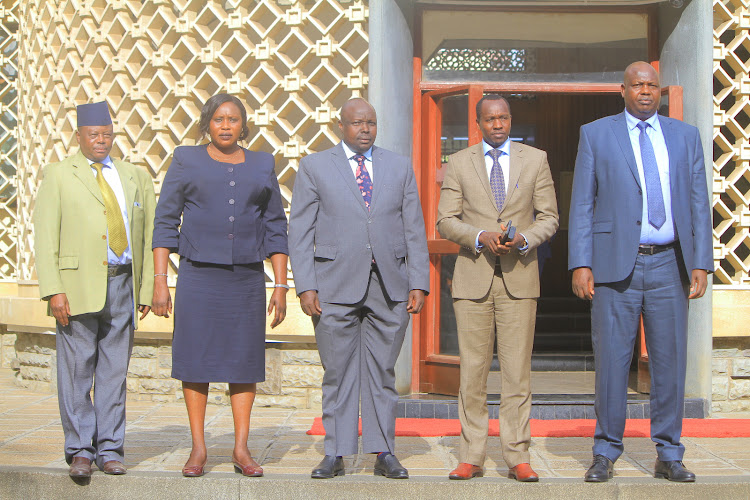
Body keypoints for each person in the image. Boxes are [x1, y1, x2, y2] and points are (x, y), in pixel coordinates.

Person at [568, 61, 713, 483]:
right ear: (623, 90)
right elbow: (582, 203)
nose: (645, 92)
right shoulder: (596, 134)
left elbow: (699, 202)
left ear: (660, 91)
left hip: (671, 263)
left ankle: (669, 452)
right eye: (637, 85)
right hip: (615, 266)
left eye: (652, 85)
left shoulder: (685, 136)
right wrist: (581, 262)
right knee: (612, 361)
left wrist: (700, 261)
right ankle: (606, 450)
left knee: (669, 362)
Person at [288, 98, 430, 480]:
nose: (365, 129)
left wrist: (419, 281)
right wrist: (305, 286)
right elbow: (299, 232)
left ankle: (384, 452)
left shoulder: (398, 167)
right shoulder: (315, 166)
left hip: (389, 286)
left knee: (383, 371)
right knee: (337, 371)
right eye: (357, 123)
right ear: (341, 126)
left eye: (371, 123)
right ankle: (334, 452)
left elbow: (413, 227)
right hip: (333, 285)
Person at [151, 94, 288, 478]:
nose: (225, 125)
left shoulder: (262, 163)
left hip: (246, 280)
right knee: (196, 361)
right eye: (218, 119)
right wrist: (162, 282)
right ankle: (198, 448)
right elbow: (165, 223)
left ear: (243, 125)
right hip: (198, 277)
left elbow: (276, 226)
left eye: (233, 119)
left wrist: (280, 285)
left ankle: (241, 448)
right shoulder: (185, 159)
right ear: (207, 124)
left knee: (244, 363)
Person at [436, 94, 559, 482]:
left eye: (503, 117)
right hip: (473, 279)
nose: (498, 125)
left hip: (519, 280)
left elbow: (550, 217)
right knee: (472, 373)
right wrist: (478, 235)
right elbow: (445, 221)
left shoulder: (535, 159)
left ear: (511, 120)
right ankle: (470, 455)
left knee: (517, 374)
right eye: (490, 119)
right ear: (479, 123)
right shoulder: (458, 162)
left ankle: (517, 455)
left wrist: (523, 238)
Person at [33, 101, 156, 479]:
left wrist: (147, 289)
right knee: (76, 370)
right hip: (75, 287)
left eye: (107, 134)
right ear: (79, 136)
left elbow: (148, 234)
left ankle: (110, 448)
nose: (101, 140)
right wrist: (53, 289)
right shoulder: (58, 174)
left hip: (122, 283)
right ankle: (80, 450)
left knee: (114, 373)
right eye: (93, 135)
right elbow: (45, 235)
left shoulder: (135, 176)